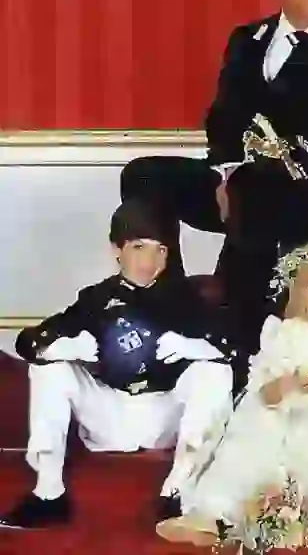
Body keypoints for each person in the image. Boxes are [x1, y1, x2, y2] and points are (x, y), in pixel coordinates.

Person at [119, 0, 308, 354]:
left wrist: (245, 174)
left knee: (254, 192)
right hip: (236, 178)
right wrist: (226, 169)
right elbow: (222, 116)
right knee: (144, 174)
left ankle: (236, 331)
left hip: (300, 191)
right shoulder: (248, 39)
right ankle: (168, 296)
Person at [0, 201, 236, 529]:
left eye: (160, 250)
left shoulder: (185, 298)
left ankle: (180, 491)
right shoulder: (95, 299)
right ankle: (48, 493)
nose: (150, 261)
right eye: (139, 248)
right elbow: (27, 341)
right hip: (108, 413)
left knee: (215, 369)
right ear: (117, 250)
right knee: (48, 367)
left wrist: (199, 347)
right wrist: (58, 347)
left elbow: (236, 348)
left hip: (163, 415)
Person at [157, 240, 308, 550]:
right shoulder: (281, 331)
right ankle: (220, 517)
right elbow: (264, 389)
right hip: (278, 410)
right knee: (252, 452)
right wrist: (290, 384)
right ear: (297, 290)